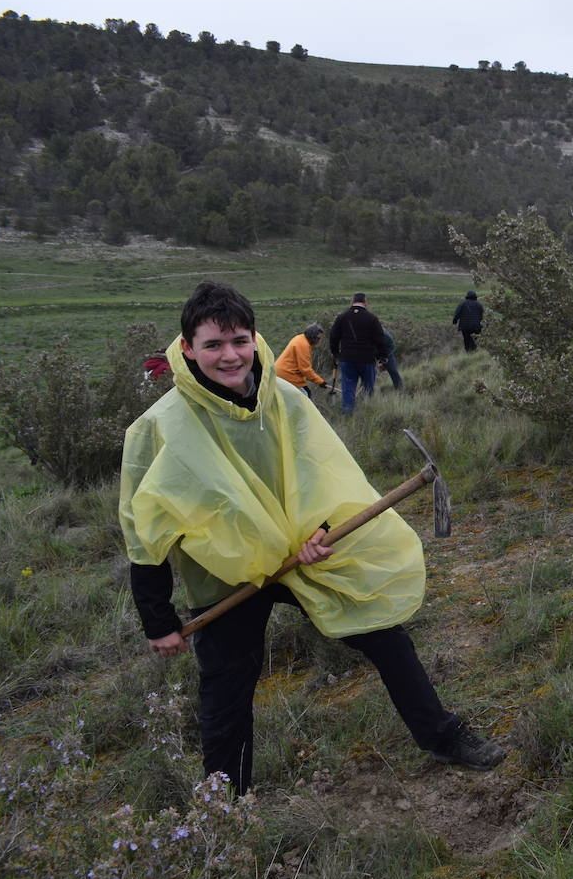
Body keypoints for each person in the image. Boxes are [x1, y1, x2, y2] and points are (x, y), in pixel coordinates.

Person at [118, 281, 506, 796]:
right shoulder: (159, 427)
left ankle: (441, 734)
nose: (230, 356)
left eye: (239, 341)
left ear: (255, 338)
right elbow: (144, 531)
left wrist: (320, 535)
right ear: (186, 348)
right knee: (227, 688)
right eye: (213, 345)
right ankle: (225, 806)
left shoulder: (284, 400)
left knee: (384, 632)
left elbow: (324, 474)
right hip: (226, 576)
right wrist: (157, 618)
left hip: (299, 556)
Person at [328, 292, 388, 414]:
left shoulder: (341, 317)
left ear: (352, 302)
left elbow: (333, 338)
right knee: (367, 389)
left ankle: (347, 415)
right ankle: (366, 413)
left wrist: (336, 354)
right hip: (367, 360)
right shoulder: (372, 318)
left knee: (348, 389)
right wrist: (382, 357)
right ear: (365, 303)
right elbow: (380, 339)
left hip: (347, 359)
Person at [273, 323, 327, 398]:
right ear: (312, 336)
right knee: (305, 396)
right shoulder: (303, 345)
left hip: (281, 373)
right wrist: (320, 381)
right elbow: (305, 370)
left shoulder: (300, 338)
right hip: (287, 375)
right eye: (318, 338)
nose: (319, 341)